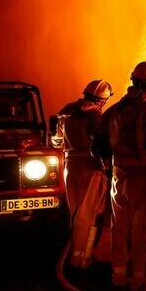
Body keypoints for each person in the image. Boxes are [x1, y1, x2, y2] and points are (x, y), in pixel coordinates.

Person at [93, 60, 146, 291]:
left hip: (119, 177)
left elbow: (98, 144)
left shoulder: (114, 110)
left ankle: (118, 277)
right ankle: (141, 284)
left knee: (119, 228)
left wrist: (109, 169)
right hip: (145, 179)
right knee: (144, 233)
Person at [56, 79, 114, 269]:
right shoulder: (95, 115)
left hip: (69, 166)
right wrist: (107, 165)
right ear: (103, 100)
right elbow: (102, 144)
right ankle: (79, 258)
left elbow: (56, 140)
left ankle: (83, 254)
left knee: (75, 212)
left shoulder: (67, 110)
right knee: (87, 214)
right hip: (91, 167)